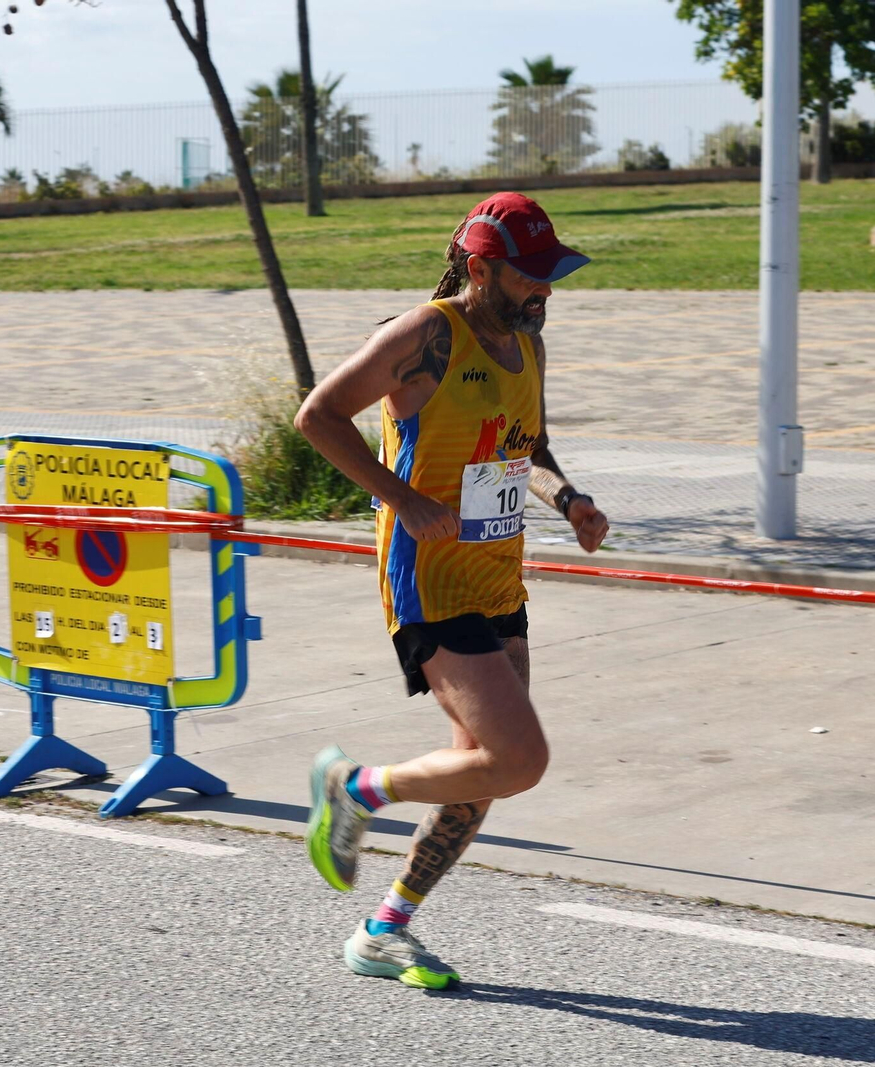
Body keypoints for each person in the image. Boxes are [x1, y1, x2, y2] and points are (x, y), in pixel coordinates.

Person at [294, 192, 609, 989]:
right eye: (531, 277)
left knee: (483, 769)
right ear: (480, 268)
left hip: (498, 573)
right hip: (429, 576)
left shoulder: (528, 343)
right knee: (520, 757)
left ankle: (384, 928)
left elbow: (525, 443)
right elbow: (319, 415)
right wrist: (402, 497)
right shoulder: (427, 335)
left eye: (551, 275)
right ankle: (355, 786)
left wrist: (567, 498)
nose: (546, 291)